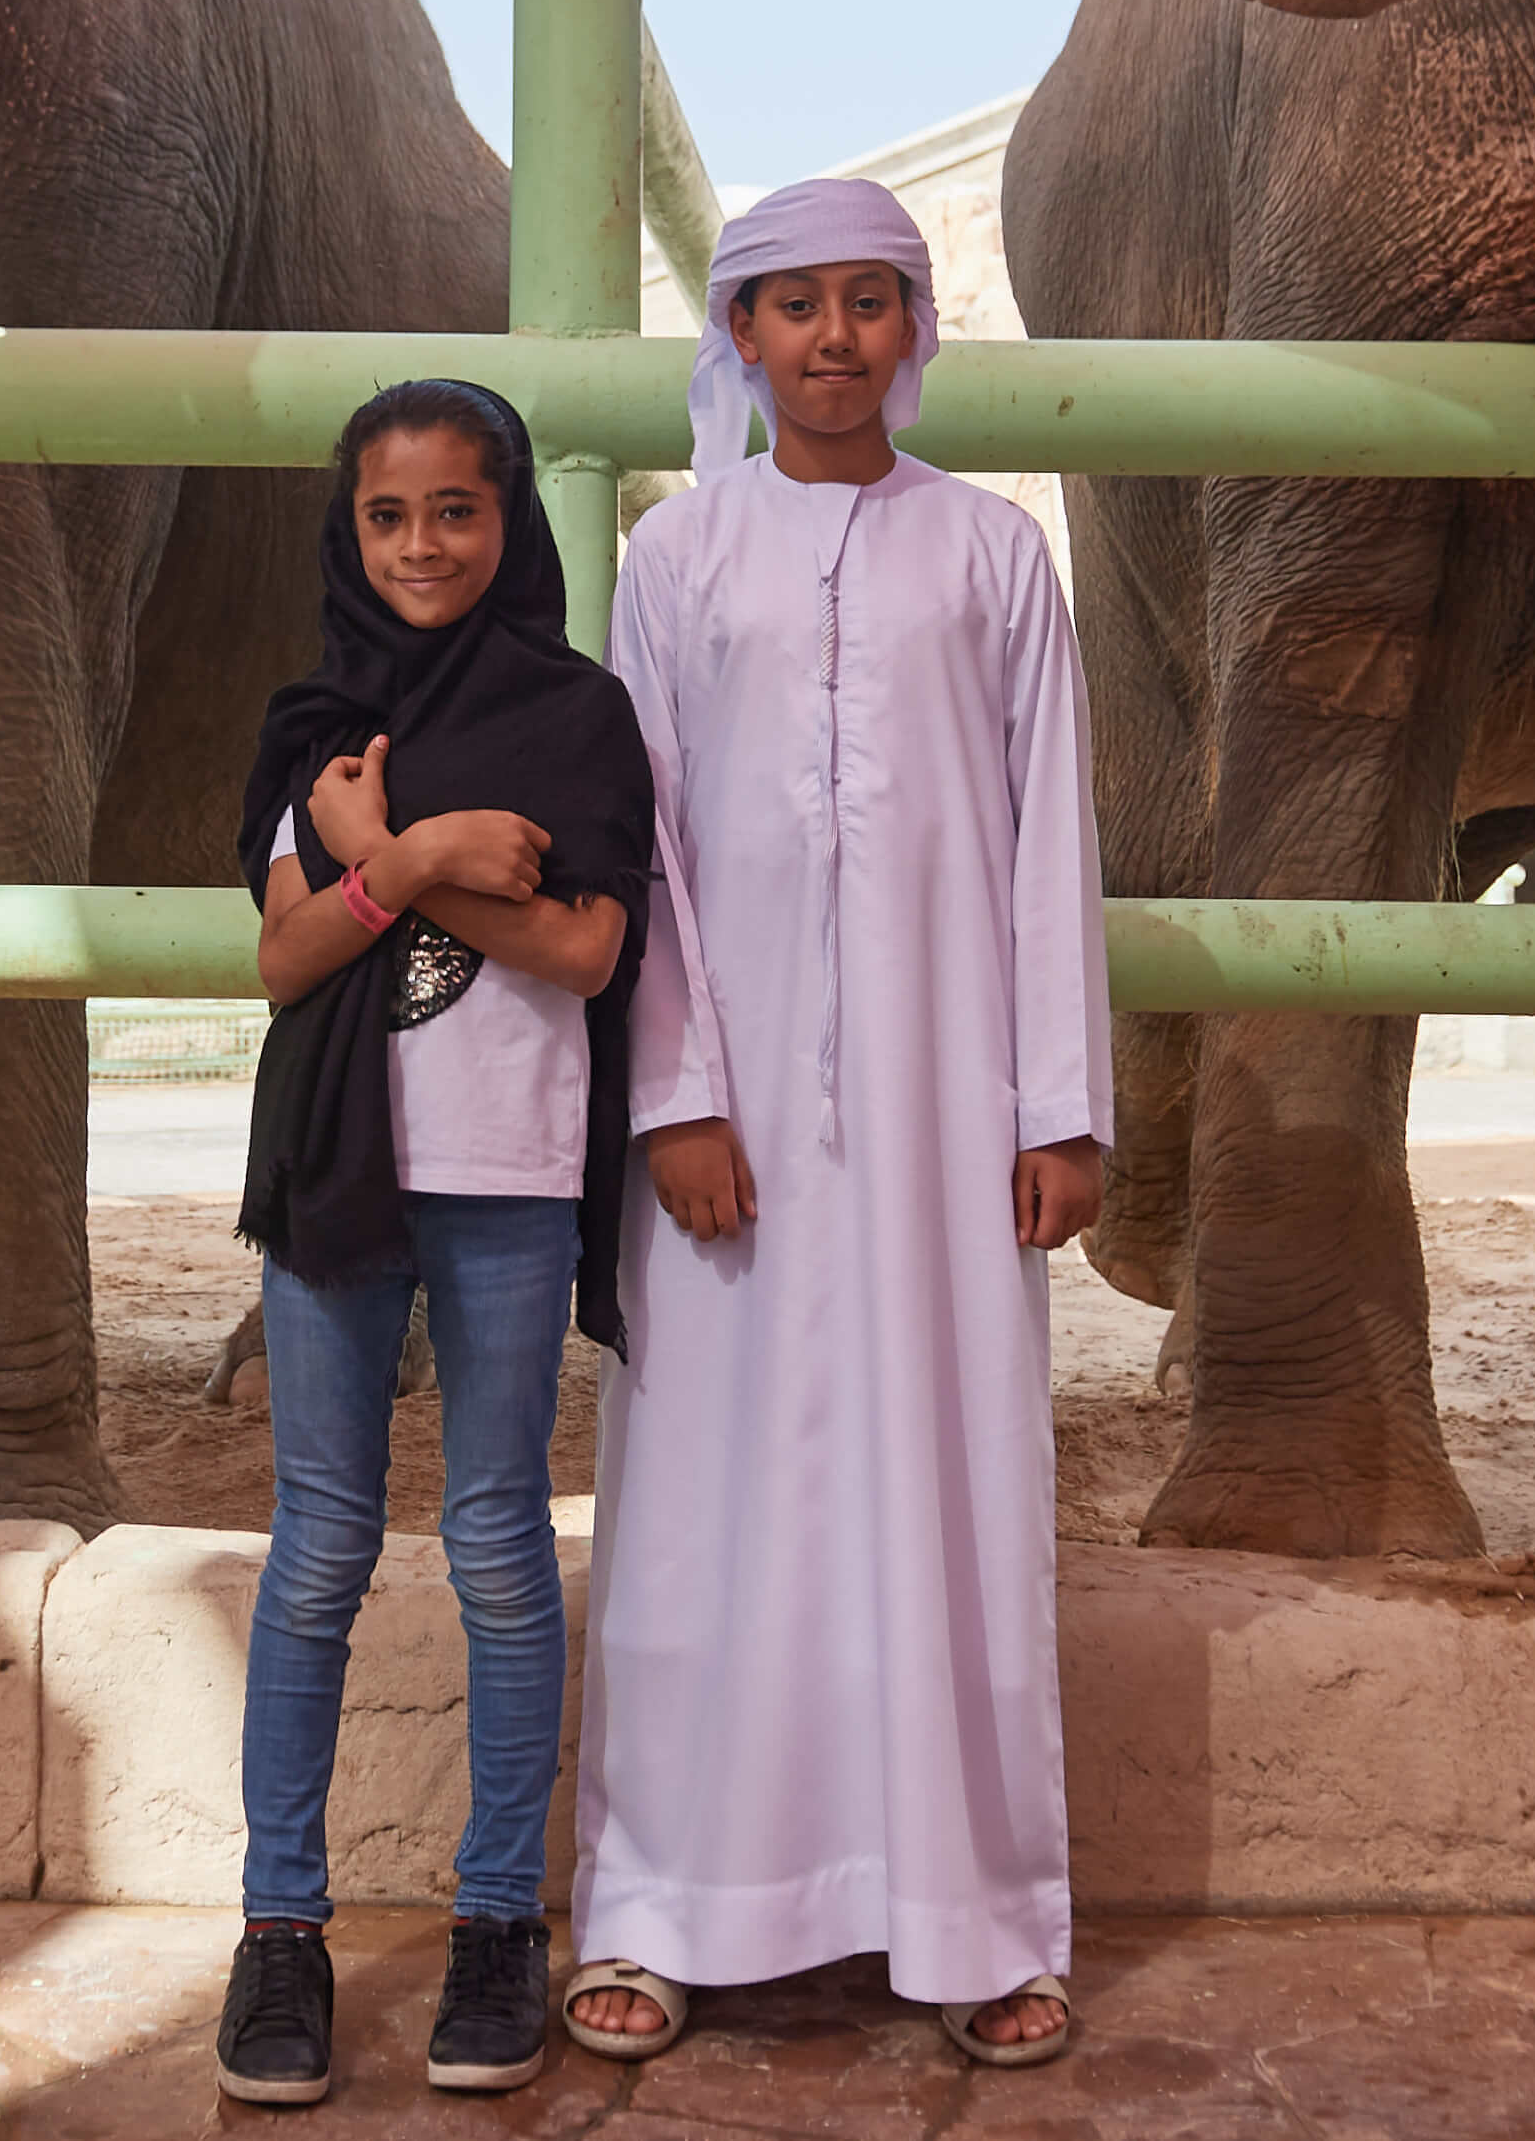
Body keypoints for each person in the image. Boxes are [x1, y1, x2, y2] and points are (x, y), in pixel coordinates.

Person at [562, 179, 1110, 2070]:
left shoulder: (992, 558)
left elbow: (1053, 846)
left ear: (913, 328)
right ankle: (659, 1901)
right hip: (726, 1142)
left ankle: (973, 1916)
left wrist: (1059, 1105)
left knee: (949, 1486)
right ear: (738, 334)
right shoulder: (676, 561)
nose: (832, 338)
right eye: (791, 304)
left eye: (869, 301)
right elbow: (652, 856)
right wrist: (680, 1093)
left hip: (958, 1129)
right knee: (703, 1506)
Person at [214, 379, 657, 2109]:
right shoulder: (315, 723)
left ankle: (494, 1925)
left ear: (509, 520)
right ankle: (280, 1933)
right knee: (315, 1546)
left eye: (456, 510)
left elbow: (591, 947)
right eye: (389, 516)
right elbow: (280, 957)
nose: (422, 545)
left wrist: (387, 860)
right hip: (334, 1178)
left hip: (509, 1175)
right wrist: (416, 851)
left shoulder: (577, 715)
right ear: (350, 527)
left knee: (493, 1540)